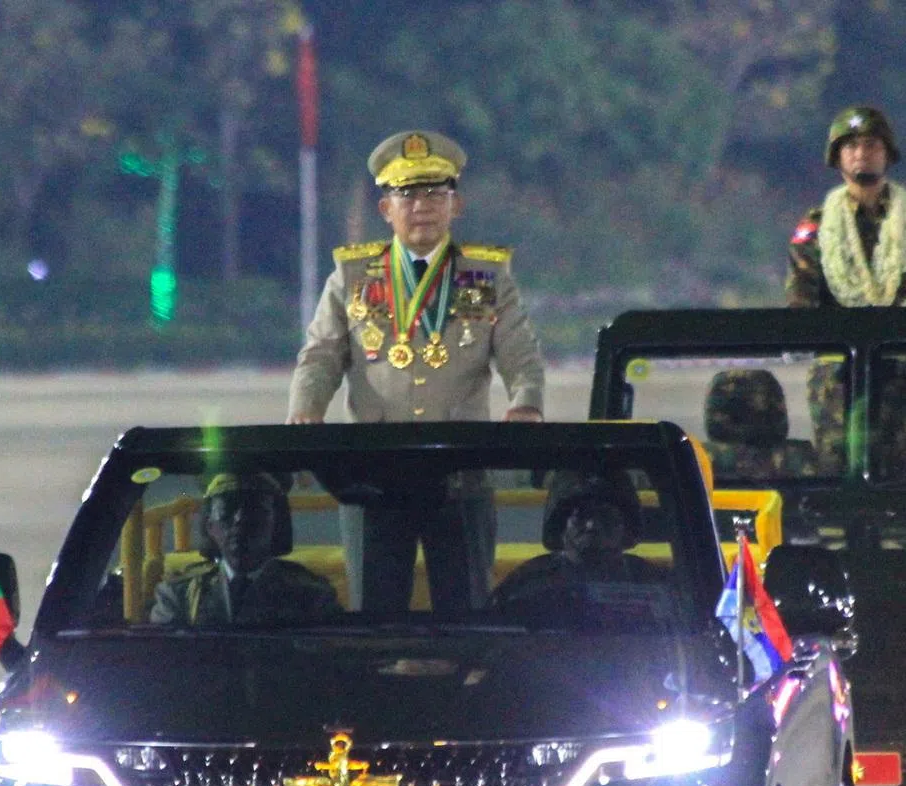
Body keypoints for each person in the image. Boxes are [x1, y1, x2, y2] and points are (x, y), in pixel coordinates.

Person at [287, 129, 546, 614]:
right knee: (376, 613)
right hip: (374, 474)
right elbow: (320, 355)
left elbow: (520, 353)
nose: (421, 206)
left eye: (434, 193)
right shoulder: (353, 277)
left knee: (467, 611)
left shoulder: (486, 275)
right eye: (407, 194)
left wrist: (526, 404)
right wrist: (306, 411)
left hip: (461, 471)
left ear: (455, 205)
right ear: (386, 208)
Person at [785, 106, 906, 476]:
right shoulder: (818, 226)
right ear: (837, 157)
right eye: (851, 146)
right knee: (836, 473)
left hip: (903, 375)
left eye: (872, 145)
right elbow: (802, 300)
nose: (862, 153)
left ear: (887, 153)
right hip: (838, 377)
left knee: (900, 477)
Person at [149, 473, 341, 626]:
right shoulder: (179, 595)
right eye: (227, 509)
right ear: (209, 525)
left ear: (277, 524)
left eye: (254, 509)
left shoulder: (312, 597)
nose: (240, 519)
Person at [489, 470, 672, 628]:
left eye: (606, 516)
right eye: (580, 515)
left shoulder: (654, 584)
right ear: (560, 526)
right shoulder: (527, 584)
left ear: (627, 527)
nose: (592, 525)